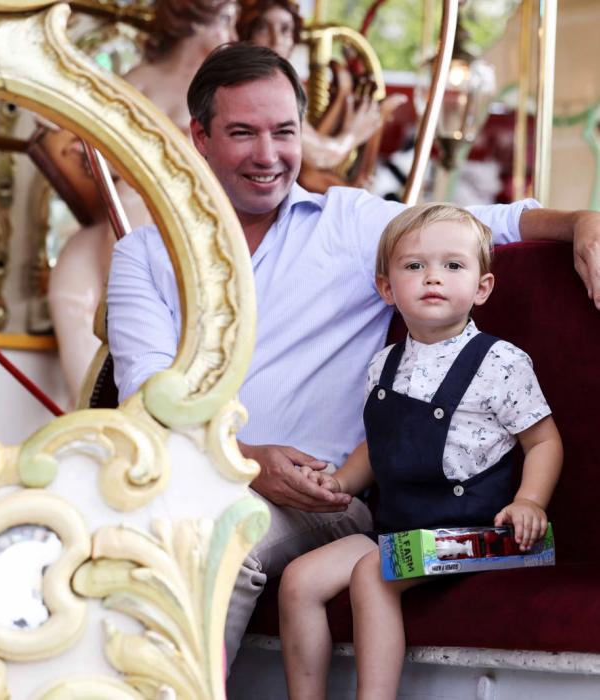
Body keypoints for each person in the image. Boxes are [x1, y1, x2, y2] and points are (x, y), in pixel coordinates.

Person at [106, 42, 600, 667]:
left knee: (216, 536)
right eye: (242, 133)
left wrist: (581, 222)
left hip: (327, 498)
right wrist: (247, 460)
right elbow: (147, 403)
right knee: (86, 536)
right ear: (200, 137)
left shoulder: (349, 223)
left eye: (284, 132)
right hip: (191, 476)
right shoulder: (145, 256)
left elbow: (487, 224)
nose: (268, 155)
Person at [278, 203, 563, 700]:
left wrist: (530, 502)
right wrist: (342, 482)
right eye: (414, 266)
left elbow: (543, 440)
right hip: (401, 527)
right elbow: (382, 442)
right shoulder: (384, 364)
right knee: (299, 580)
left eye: (453, 265)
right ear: (387, 288)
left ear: (482, 287)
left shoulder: (499, 362)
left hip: (486, 535)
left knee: (375, 571)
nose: (433, 277)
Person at [47, 0, 239, 406]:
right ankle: (88, 415)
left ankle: (142, 411)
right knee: (69, 285)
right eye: (226, 20)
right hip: (119, 215)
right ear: (194, 23)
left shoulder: (219, 93)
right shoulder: (139, 81)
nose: (233, 34)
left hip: (169, 223)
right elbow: (94, 135)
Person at [237, 0, 406, 192]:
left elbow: (309, 142)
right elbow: (319, 155)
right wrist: (354, 133)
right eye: (263, 29)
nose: (276, 40)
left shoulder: (284, 82)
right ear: (246, 35)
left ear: (294, 38)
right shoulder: (257, 86)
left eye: (285, 30)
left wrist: (343, 98)